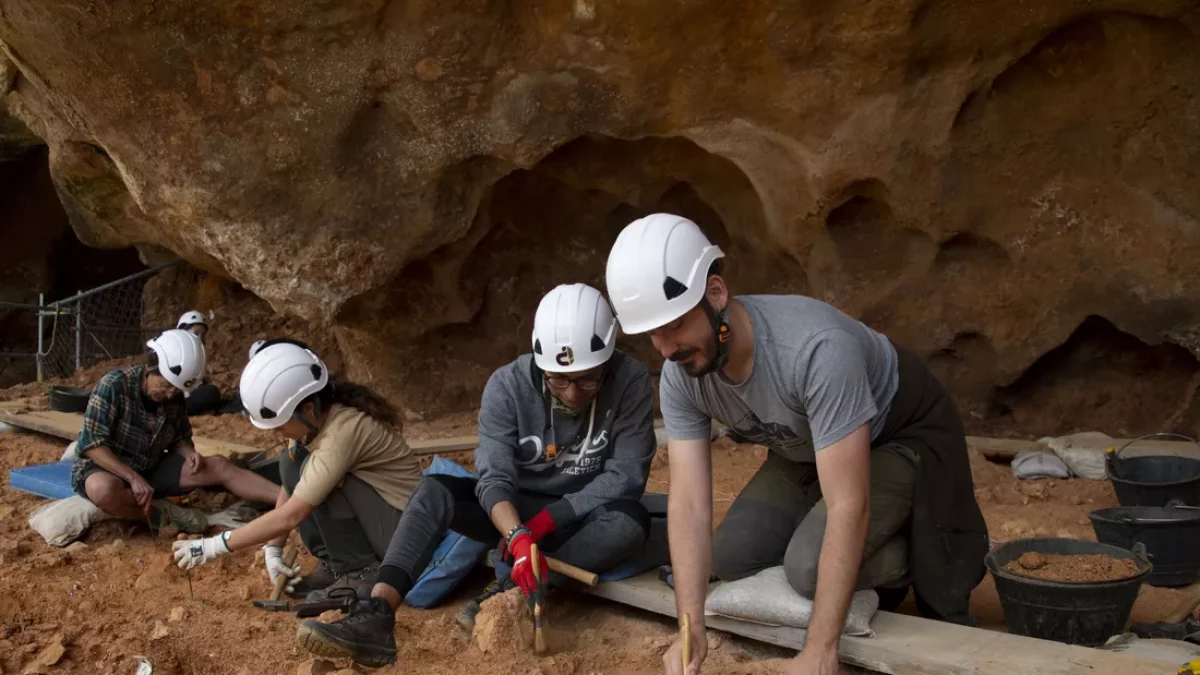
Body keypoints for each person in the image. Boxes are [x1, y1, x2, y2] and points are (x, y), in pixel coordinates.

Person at [604, 214, 989, 675]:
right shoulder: (681, 374)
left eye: (676, 326)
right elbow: (688, 503)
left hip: (899, 435)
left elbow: (849, 503)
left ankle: (914, 548)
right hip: (803, 444)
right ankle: (842, 537)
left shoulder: (815, 350)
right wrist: (692, 626)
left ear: (716, 294)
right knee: (730, 557)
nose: (666, 349)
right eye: (653, 334)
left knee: (806, 569)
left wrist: (819, 650)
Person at [292, 283, 658, 667]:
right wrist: (516, 533)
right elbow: (493, 477)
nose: (571, 394)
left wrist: (547, 522)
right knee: (434, 491)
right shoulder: (507, 386)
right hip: (512, 513)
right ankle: (377, 615)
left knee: (630, 522)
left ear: (608, 359)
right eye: (558, 380)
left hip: (582, 517)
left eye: (587, 380)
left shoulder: (630, 380)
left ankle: (508, 590)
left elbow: (626, 476)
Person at [171, 342, 424, 605]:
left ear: (307, 408)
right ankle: (336, 563)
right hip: (385, 521)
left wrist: (214, 546)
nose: (274, 432)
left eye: (279, 424)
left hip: (407, 535)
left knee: (323, 480)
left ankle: (360, 571)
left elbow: (294, 513)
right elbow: (291, 487)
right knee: (291, 463)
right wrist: (273, 547)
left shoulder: (343, 432)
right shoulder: (316, 422)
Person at [71, 329, 281, 530]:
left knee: (219, 466)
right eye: (165, 385)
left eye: (176, 389)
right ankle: (163, 517)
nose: (170, 394)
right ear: (152, 368)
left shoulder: (174, 397)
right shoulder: (114, 385)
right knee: (103, 490)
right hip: (109, 469)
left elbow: (180, 437)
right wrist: (132, 478)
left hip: (150, 466)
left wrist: (189, 453)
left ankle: (287, 499)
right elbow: (92, 444)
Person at [176, 310, 223, 416]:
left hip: (190, 394)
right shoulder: (176, 352)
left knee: (211, 392)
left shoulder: (198, 353)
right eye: (197, 333)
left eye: (202, 334)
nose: (200, 337)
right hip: (176, 397)